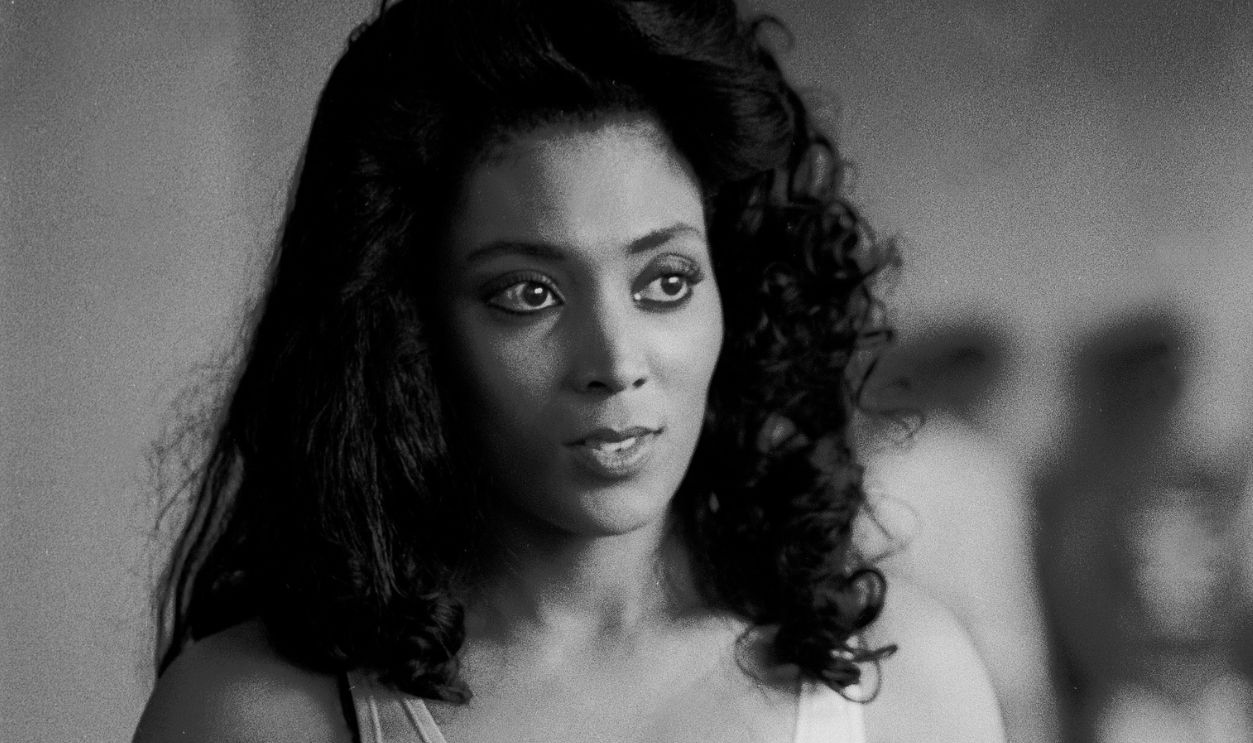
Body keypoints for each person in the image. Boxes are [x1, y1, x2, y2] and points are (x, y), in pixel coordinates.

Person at [132, 1, 1003, 741]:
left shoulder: (904, 684)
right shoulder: (250, 713)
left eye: (665, 281)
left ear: (735, 294)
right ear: (406, 328)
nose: (615, 363)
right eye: (528, 293)